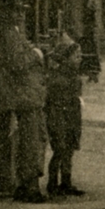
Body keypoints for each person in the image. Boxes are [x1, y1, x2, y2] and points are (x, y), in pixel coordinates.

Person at [0, 0, 49, 202]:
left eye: (22, 11)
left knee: (33, 138)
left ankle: (25, 184)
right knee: (31, 140)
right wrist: (36, 54)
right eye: (15, 10)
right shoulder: (9, 34)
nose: (19, 15)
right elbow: (16, 63)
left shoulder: (16, 32)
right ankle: (30, 187)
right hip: (24, 94)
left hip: (29, 93)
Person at [43, 24, 85, 197]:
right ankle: (53, 182)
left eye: (80, 55)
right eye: (76, 56)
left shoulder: (74, 76)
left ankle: (66, 182)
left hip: (71, 116)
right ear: (66, 59)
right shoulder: (57, 79)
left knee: (68, 150)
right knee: (60, 150)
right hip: (59, 116)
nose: (80, 58)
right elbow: (52, 103)